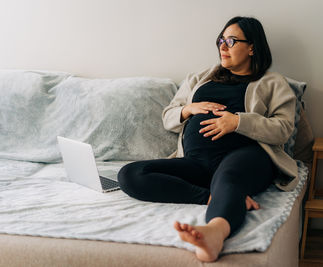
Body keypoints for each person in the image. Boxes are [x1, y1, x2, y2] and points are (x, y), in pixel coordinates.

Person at [117, 16, 299, 262]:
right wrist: (188, 109)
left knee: (228, 177)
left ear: (252, 47)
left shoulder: (273, 82)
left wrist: (237, 122)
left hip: (246, 157)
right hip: (197, 162)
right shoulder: (199, 78)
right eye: (221, 40)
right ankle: (213, 196)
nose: (223, 46)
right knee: (130, 174)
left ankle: (215, 233)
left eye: (231, 41)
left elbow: (283, 129)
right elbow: (168, 117)